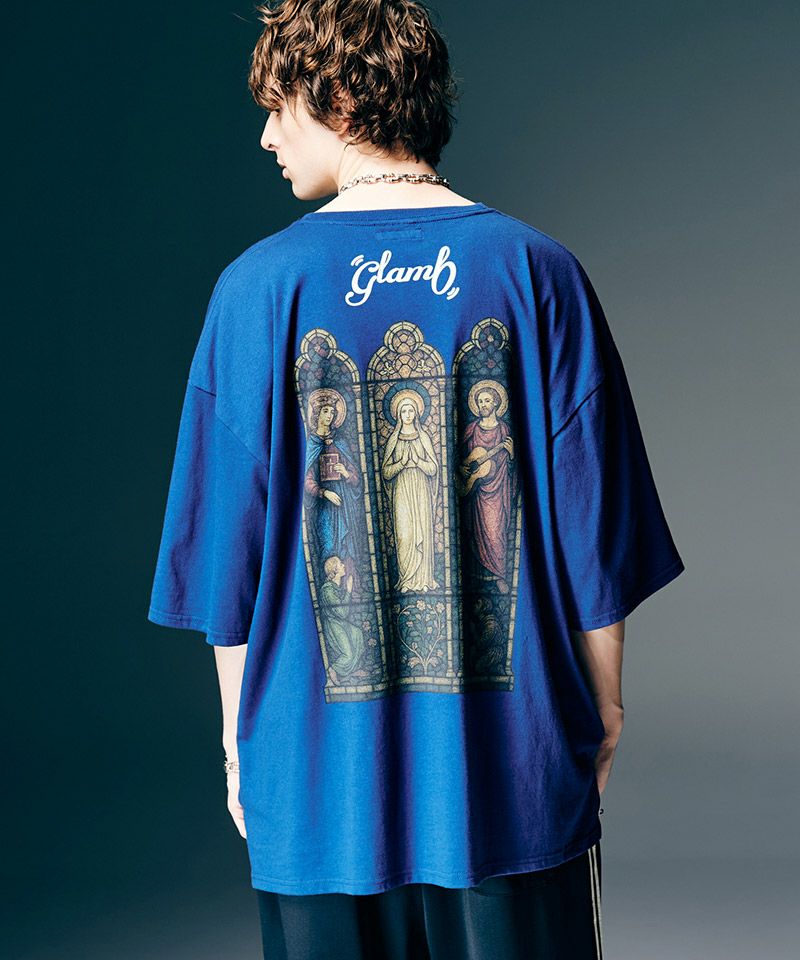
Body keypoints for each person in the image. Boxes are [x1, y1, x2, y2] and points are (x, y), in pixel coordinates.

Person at [146, 1, 685, 957]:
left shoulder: (255, 290)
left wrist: (241, 743)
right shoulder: (537, 272)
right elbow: (594, 532)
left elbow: (227, 560)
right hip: (509, 783)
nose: (266, 135)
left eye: (278, 106)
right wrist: (601, 710)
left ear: (339, 95)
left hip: (316, 790)